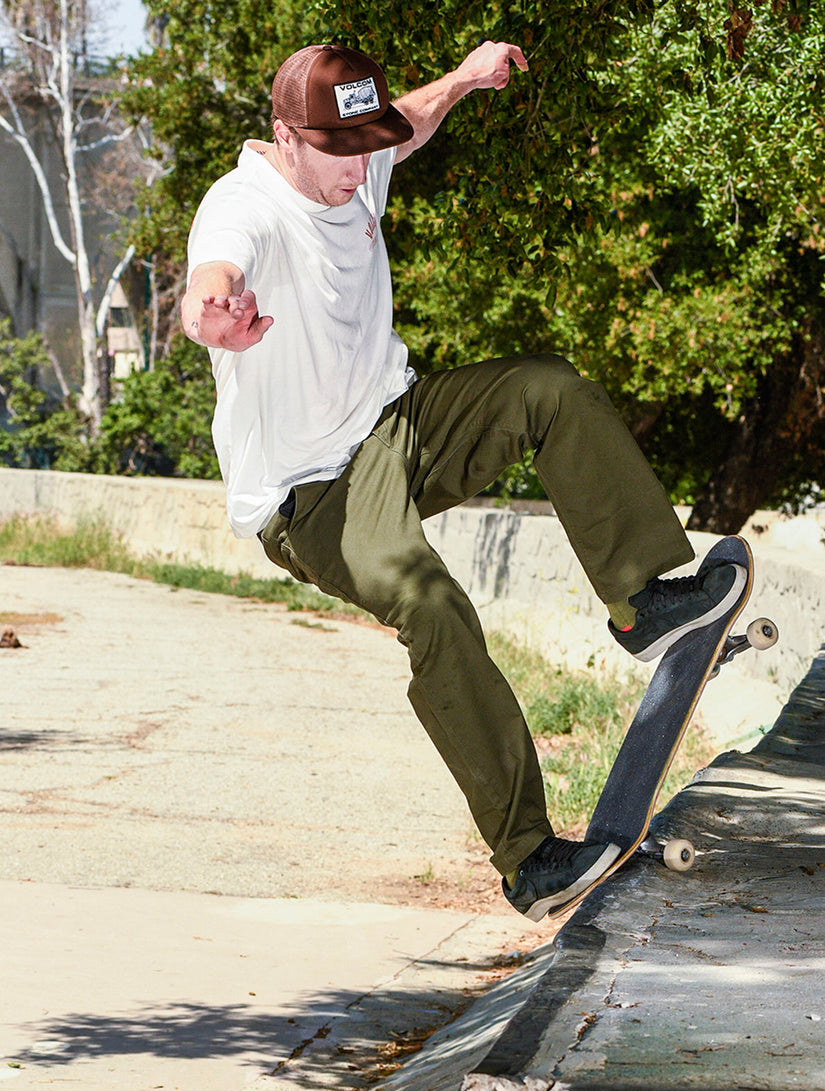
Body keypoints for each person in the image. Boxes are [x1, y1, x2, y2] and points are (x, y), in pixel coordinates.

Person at [181, 40, 745, 921]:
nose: (356, 168)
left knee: (547, 391)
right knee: (433, 606)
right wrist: (214, 313)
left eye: (363, 144)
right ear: (286, 138)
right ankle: (528, 859)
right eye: (336, 150)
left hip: (399, 425)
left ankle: (644, 604)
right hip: (310, 491)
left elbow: (406, 124)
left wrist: (466, 79)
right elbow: (212, 274)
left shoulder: (359, 155)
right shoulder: (241, 204)